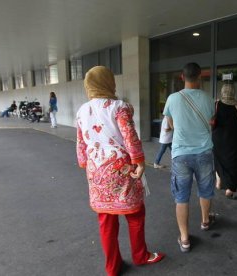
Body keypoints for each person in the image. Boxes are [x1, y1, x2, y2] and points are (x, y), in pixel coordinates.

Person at [76, 66, 164, 276]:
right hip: (122, 169)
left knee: (106, 219)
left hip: (96, 171)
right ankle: (140, 256)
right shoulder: (119, 107)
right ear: (108, 82)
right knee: (135, 213)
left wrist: (86, 164)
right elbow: (130, 137)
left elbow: (81, 145)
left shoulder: (82, 111)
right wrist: (140, 162)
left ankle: (112, 268)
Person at [163, 62, 215, 253]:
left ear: (182, 77)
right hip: (204, 152)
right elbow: (211, 120)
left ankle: (185, 239)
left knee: (182, 197)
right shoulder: (208, 99)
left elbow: (171, 123)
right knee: (205, 190)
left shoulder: (172, 99)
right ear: (200, 76)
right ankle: (205, 221)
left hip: (181, 155)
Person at [212, 84, 237, 199]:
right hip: (234, 141)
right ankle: (229, 189)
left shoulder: (216, 104)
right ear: (233, 92)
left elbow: (211, 121)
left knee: (218, 160)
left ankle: (219, 181)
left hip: (218, 139)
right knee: (232, 163)